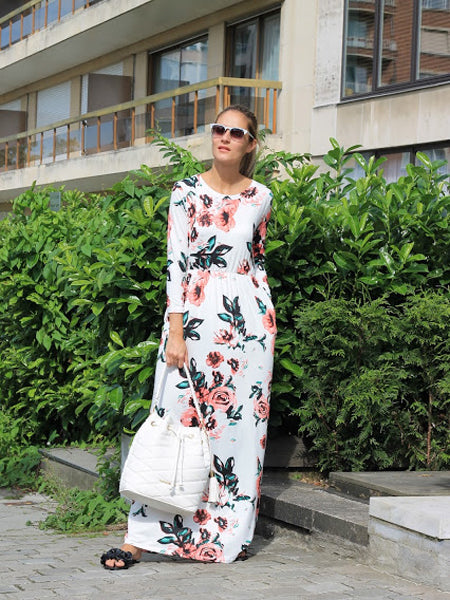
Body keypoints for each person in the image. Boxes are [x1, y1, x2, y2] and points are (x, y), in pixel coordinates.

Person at [101, 104, 277, 568]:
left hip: (247, 329)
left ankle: (223, 538)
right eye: (219, 129)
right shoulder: (185, 193)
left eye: (235, 133)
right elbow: (176, 263)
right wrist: (175, 330)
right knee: (174, 421)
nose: (224, 137)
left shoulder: (262, 196)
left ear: (249, 144)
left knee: (237, 432)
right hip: (192, 323)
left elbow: (254, 263)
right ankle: (140, 538)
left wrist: (262, 324)